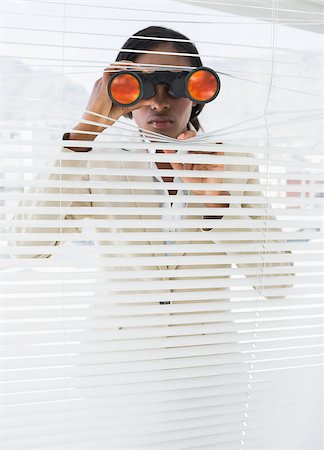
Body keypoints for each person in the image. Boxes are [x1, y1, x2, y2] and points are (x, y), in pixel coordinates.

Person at [10, 25, 294, 447]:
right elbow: (27, 245)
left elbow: (277, 281)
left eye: (177, 84)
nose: (160, 100)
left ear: (200, 89)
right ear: (119, 89)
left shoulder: (232, 163)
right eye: (143, 85)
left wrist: (218, 203)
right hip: (115, 379)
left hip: (209, 382)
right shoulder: (95, 160)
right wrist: (85, 131)